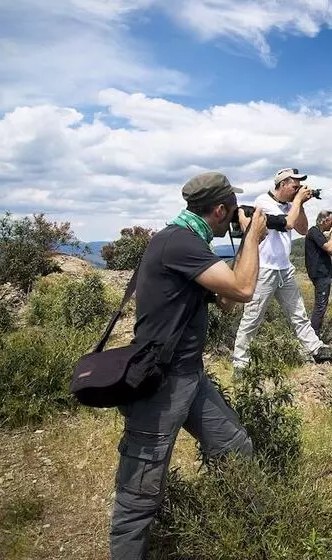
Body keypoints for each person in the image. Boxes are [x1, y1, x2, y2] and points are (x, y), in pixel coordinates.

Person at [109, 171, 268, 559]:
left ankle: (243, 535)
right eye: (231, 212)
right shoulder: (179, 244)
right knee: (139, 495)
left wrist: (244, 244)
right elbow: (245, 289)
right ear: (218, 209)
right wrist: (251, 238)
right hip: (160, 383)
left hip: (189, 377)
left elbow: (231, 299)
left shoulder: (187, 241)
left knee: (234, 448)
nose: (234, 217)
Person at [232, 167, 332, 372]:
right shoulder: (263, 202)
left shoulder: (291, 205)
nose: (298, 188)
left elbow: (303, 229)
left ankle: (315, 349)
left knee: (298, 313)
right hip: (264, 269)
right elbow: (287, 224)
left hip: (284, 269)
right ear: (282, 184)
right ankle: (240, 362)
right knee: (252, 317)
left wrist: (301, 205)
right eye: (294, 185)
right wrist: (297, 202)